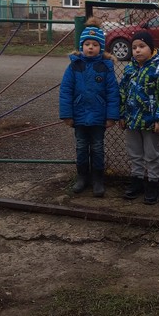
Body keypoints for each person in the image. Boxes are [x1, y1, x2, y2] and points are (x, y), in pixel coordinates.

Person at [59, 17, 120, 197]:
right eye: (87, 44)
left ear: (101, 47)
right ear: (81, 46)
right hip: (79, 116)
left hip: (98, 117)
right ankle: (82, 177)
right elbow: (65, 91)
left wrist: (111, 116)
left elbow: (112, 93)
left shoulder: (105, 67)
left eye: (94, 44)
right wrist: (67, 115)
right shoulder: (74, 66)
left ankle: (98, 179)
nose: (90, 48)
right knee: (81, 147)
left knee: (97, 148)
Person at [118, 30, 159, 205]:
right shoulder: (129, 69)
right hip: (132, 119)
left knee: (151, 154)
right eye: (134, 47)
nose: (137, 50)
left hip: (151, 122)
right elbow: (122, 92)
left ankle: (153, 183)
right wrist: (122, 115)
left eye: (142, 46)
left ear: (152, 48)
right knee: (135, 152)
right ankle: (137, 180)